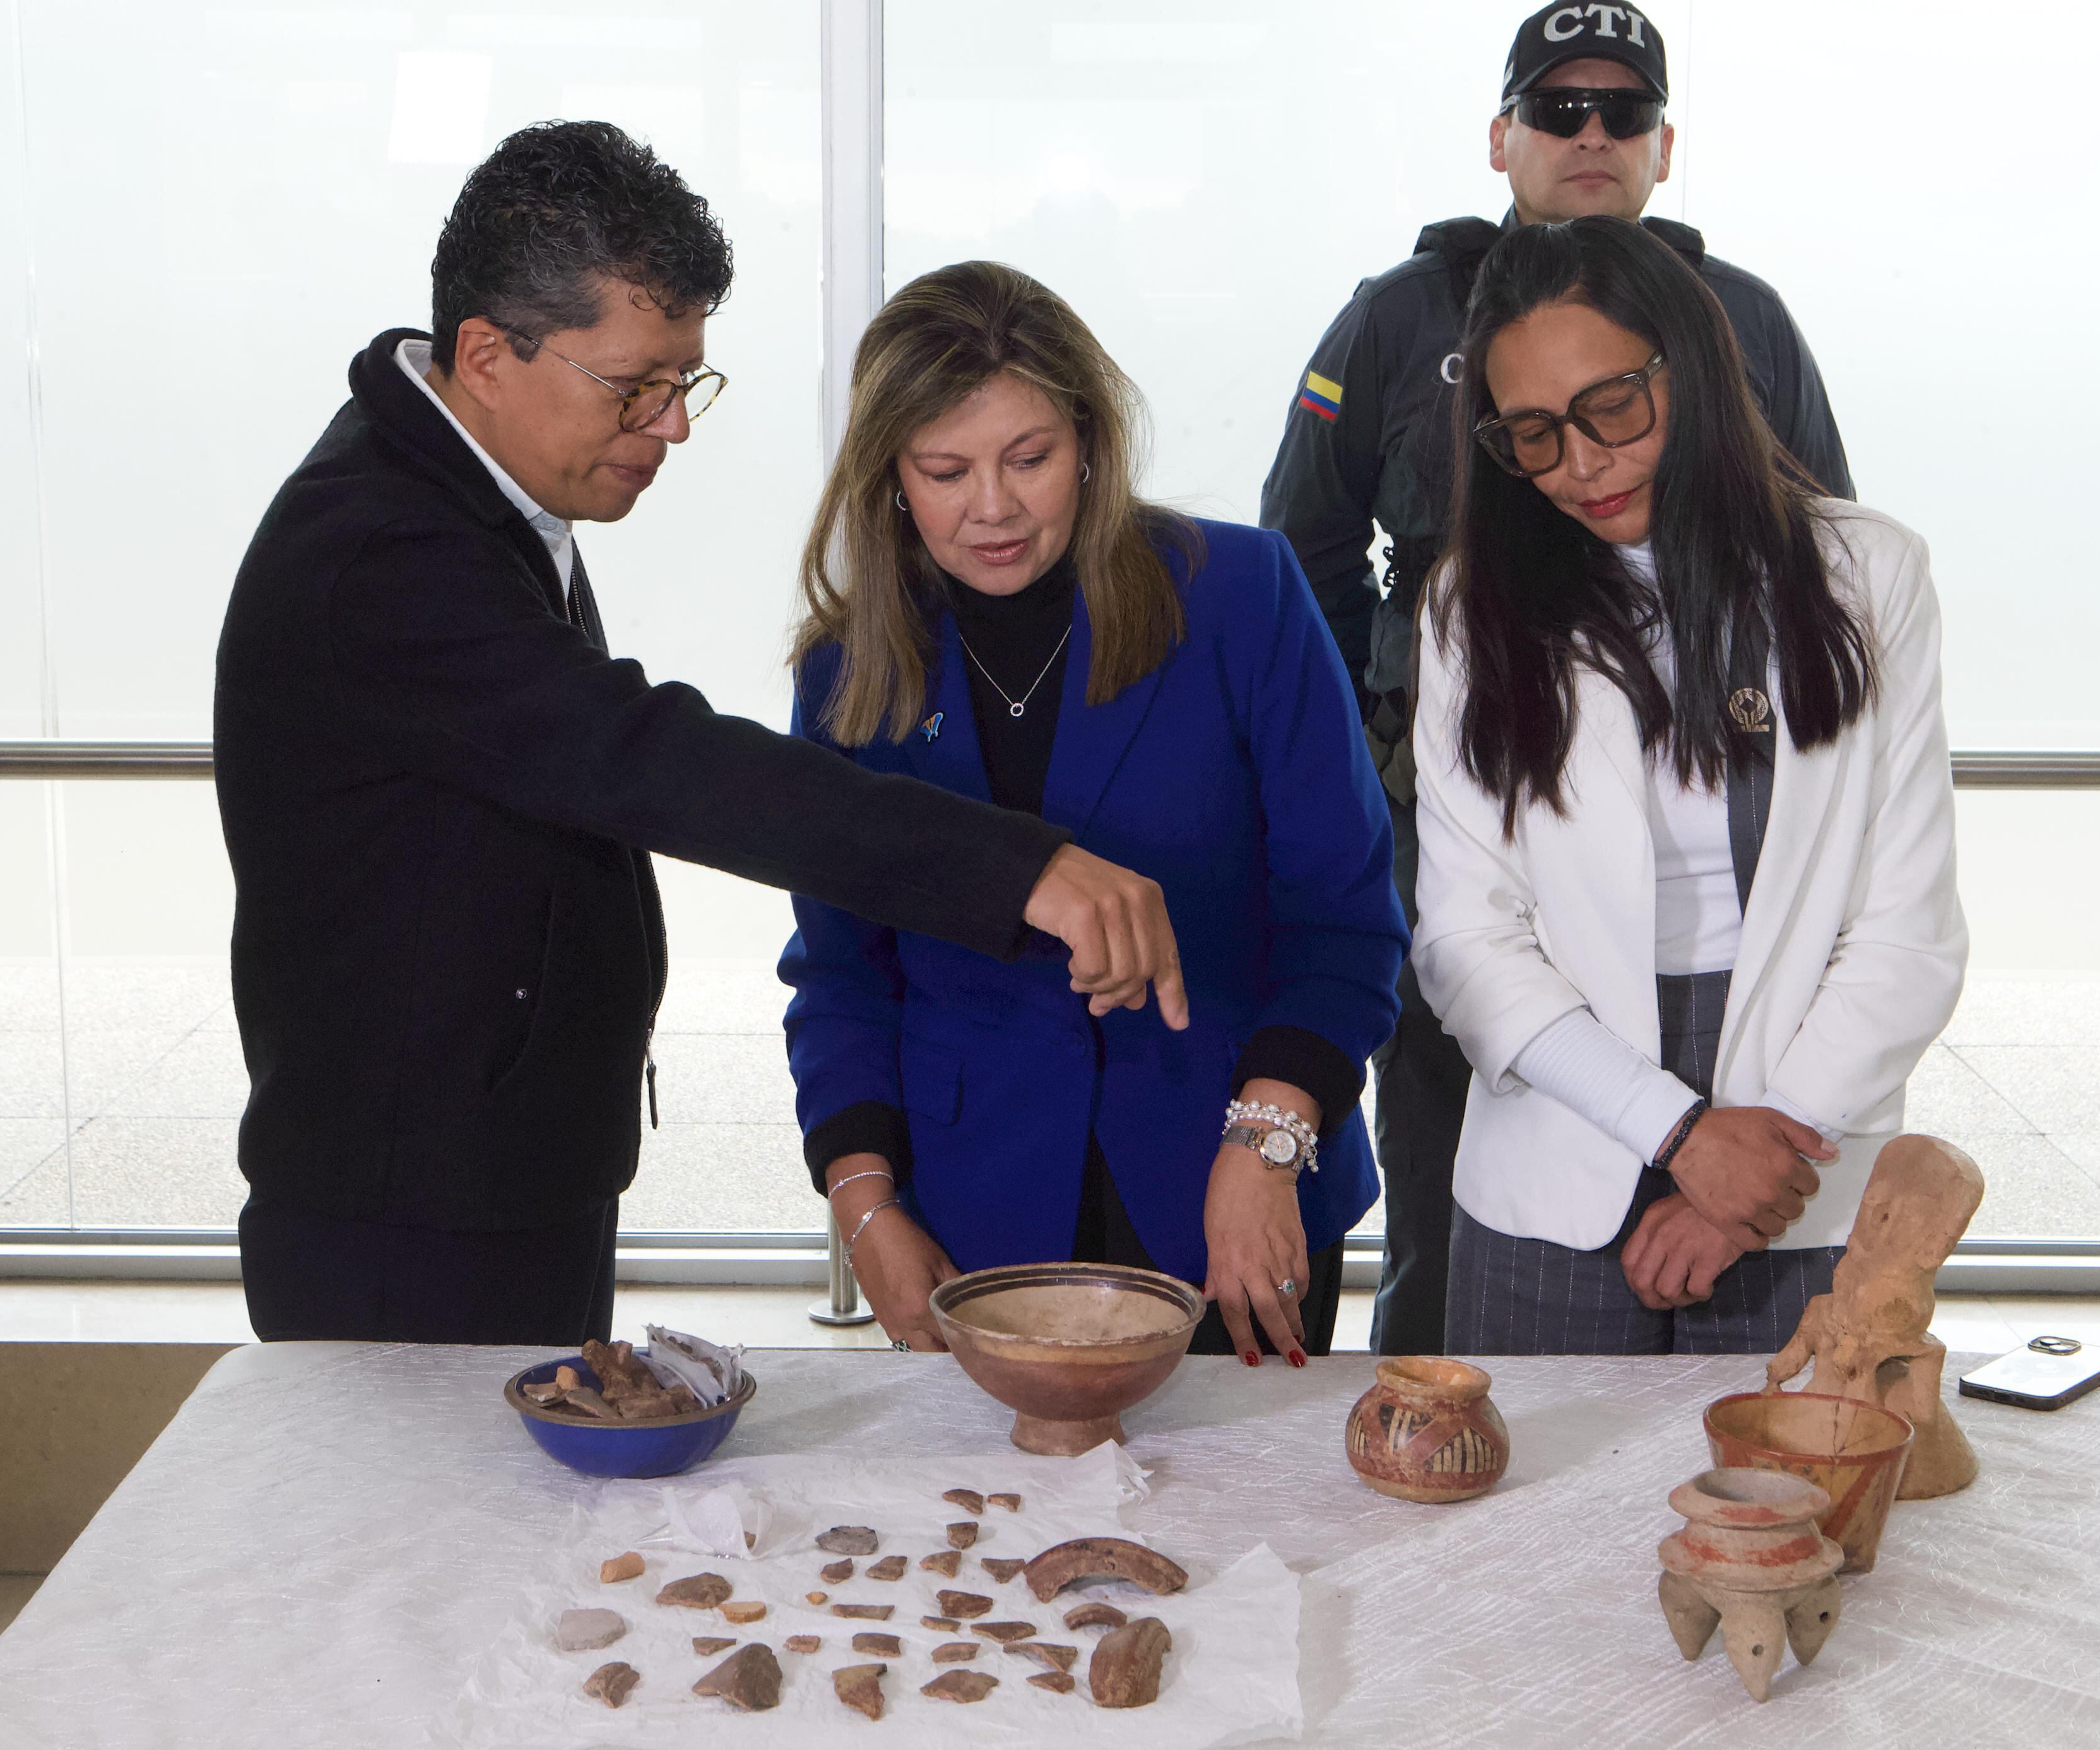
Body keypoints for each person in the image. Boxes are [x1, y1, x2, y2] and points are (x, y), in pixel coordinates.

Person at [215, 124, 1189, 1347]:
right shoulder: (385, 552)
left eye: (683, 380)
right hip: (407, 1220)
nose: (671, 425)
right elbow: (650, 762)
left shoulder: (475, 497)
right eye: (635, 385)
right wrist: (1023, 868)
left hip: (497, 1176)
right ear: (485, 354)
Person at [1261, 0, 1856, 1356]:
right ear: (1501, 137)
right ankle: (1427, 1425)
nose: (1590, 136)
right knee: (1450, 1171)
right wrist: (1378, 746)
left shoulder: (1744, 321)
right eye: (1557, 110)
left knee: (1753, 1220)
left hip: (1724, 828)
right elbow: (1301, 545)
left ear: (1662, 147)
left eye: (1622, 114)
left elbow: (1822, 564)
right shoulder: (1402, 317)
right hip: (1467, 804)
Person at [779, 262, 1405, 1365]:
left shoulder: (1242, 596)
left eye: (1031, 458)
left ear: (1091, 443)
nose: (993, 506)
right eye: (944, 469)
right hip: (973, 1206)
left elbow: (1346, 924)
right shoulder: (850, 664)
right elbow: (841, 974)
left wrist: (1267, 1144)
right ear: (888, 477)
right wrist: (866, 1208)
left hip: (1239, 1178)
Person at [1410, 215, 1964, 1354]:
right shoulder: (1474, 609)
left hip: (1801, 1131)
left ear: (1694, 366)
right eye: (1533, 436)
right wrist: (1676, 1133)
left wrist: (1754, 1153)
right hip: (1567, 1119)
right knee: (1526, 1527)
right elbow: (1466, 940)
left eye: (1612, 406)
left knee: (1785, 1517)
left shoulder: (1871, 576)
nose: (1580, 465)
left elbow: (1907, 930)